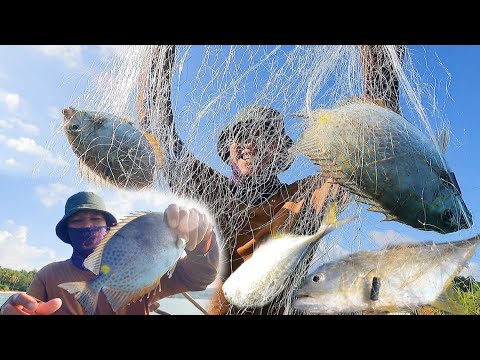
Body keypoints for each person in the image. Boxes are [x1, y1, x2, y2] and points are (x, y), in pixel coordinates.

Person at [138, 45, 406, 314]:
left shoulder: (306, 198)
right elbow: (157, 135)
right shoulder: (210, 191)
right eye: (240, 135)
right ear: (229, 150)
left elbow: (369, 153)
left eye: (263, 135)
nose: (248, 144)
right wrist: (160, 55)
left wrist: (379, 64)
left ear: (279, 151)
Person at [0, 191, 219, 315]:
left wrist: (201, 241)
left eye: (95, 220)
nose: (87, 226)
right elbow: (26, 306)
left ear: (109, 229)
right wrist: (8, 310)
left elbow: (200, 277)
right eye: (77, 221)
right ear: (68, 231)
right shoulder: (48, 275)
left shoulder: (153, 268)